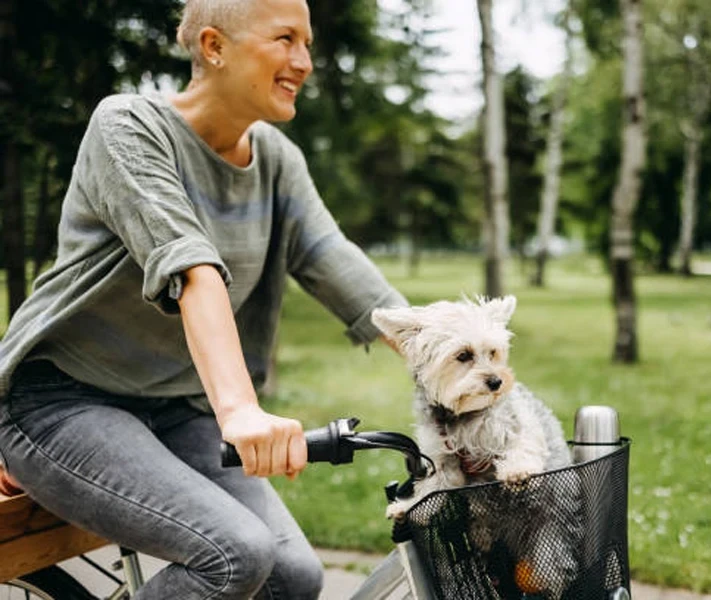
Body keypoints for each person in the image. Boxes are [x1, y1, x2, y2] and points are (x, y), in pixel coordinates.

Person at [0, 0, 407, 597]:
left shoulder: (275, 160)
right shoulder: (129, 126)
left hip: (177, 406)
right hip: (61, 402)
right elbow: (191, 267)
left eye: (308, 43)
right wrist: (240, 410)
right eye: (286, 39)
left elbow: (340, 265)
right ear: (214, 47)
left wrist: (461, 354)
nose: (305, 62)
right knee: (233, 554)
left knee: (293, 577)